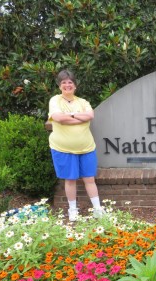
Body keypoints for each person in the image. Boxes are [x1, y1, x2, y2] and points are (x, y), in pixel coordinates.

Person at [47, 69, 104, 221]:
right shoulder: (55, 100)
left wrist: (69, 117)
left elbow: (90, 115)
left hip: (86, 147)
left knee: (89, 179)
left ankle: (98, 209)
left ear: (75, 85)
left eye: (70, 82)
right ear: (60, 86)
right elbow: (58, 117)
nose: (67, 85)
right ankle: (73, 210)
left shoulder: (83, 102)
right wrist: (79, 117)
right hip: (63, 148)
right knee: (70, 180)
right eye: (64, 82)